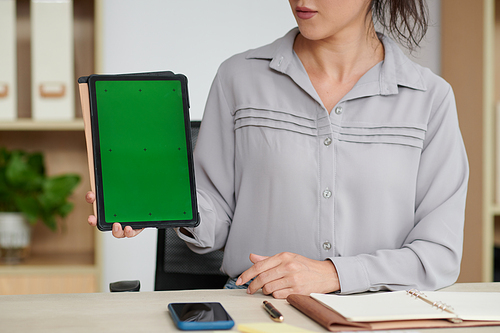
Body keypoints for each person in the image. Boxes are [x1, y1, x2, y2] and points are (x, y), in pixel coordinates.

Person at [87, 0, 468, 298]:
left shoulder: (429, 99)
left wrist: (333, 274)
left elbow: (438, 255)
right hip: (258, 308)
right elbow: (215, 220)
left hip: (374, 314)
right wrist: (164, 204)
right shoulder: (239, 77)